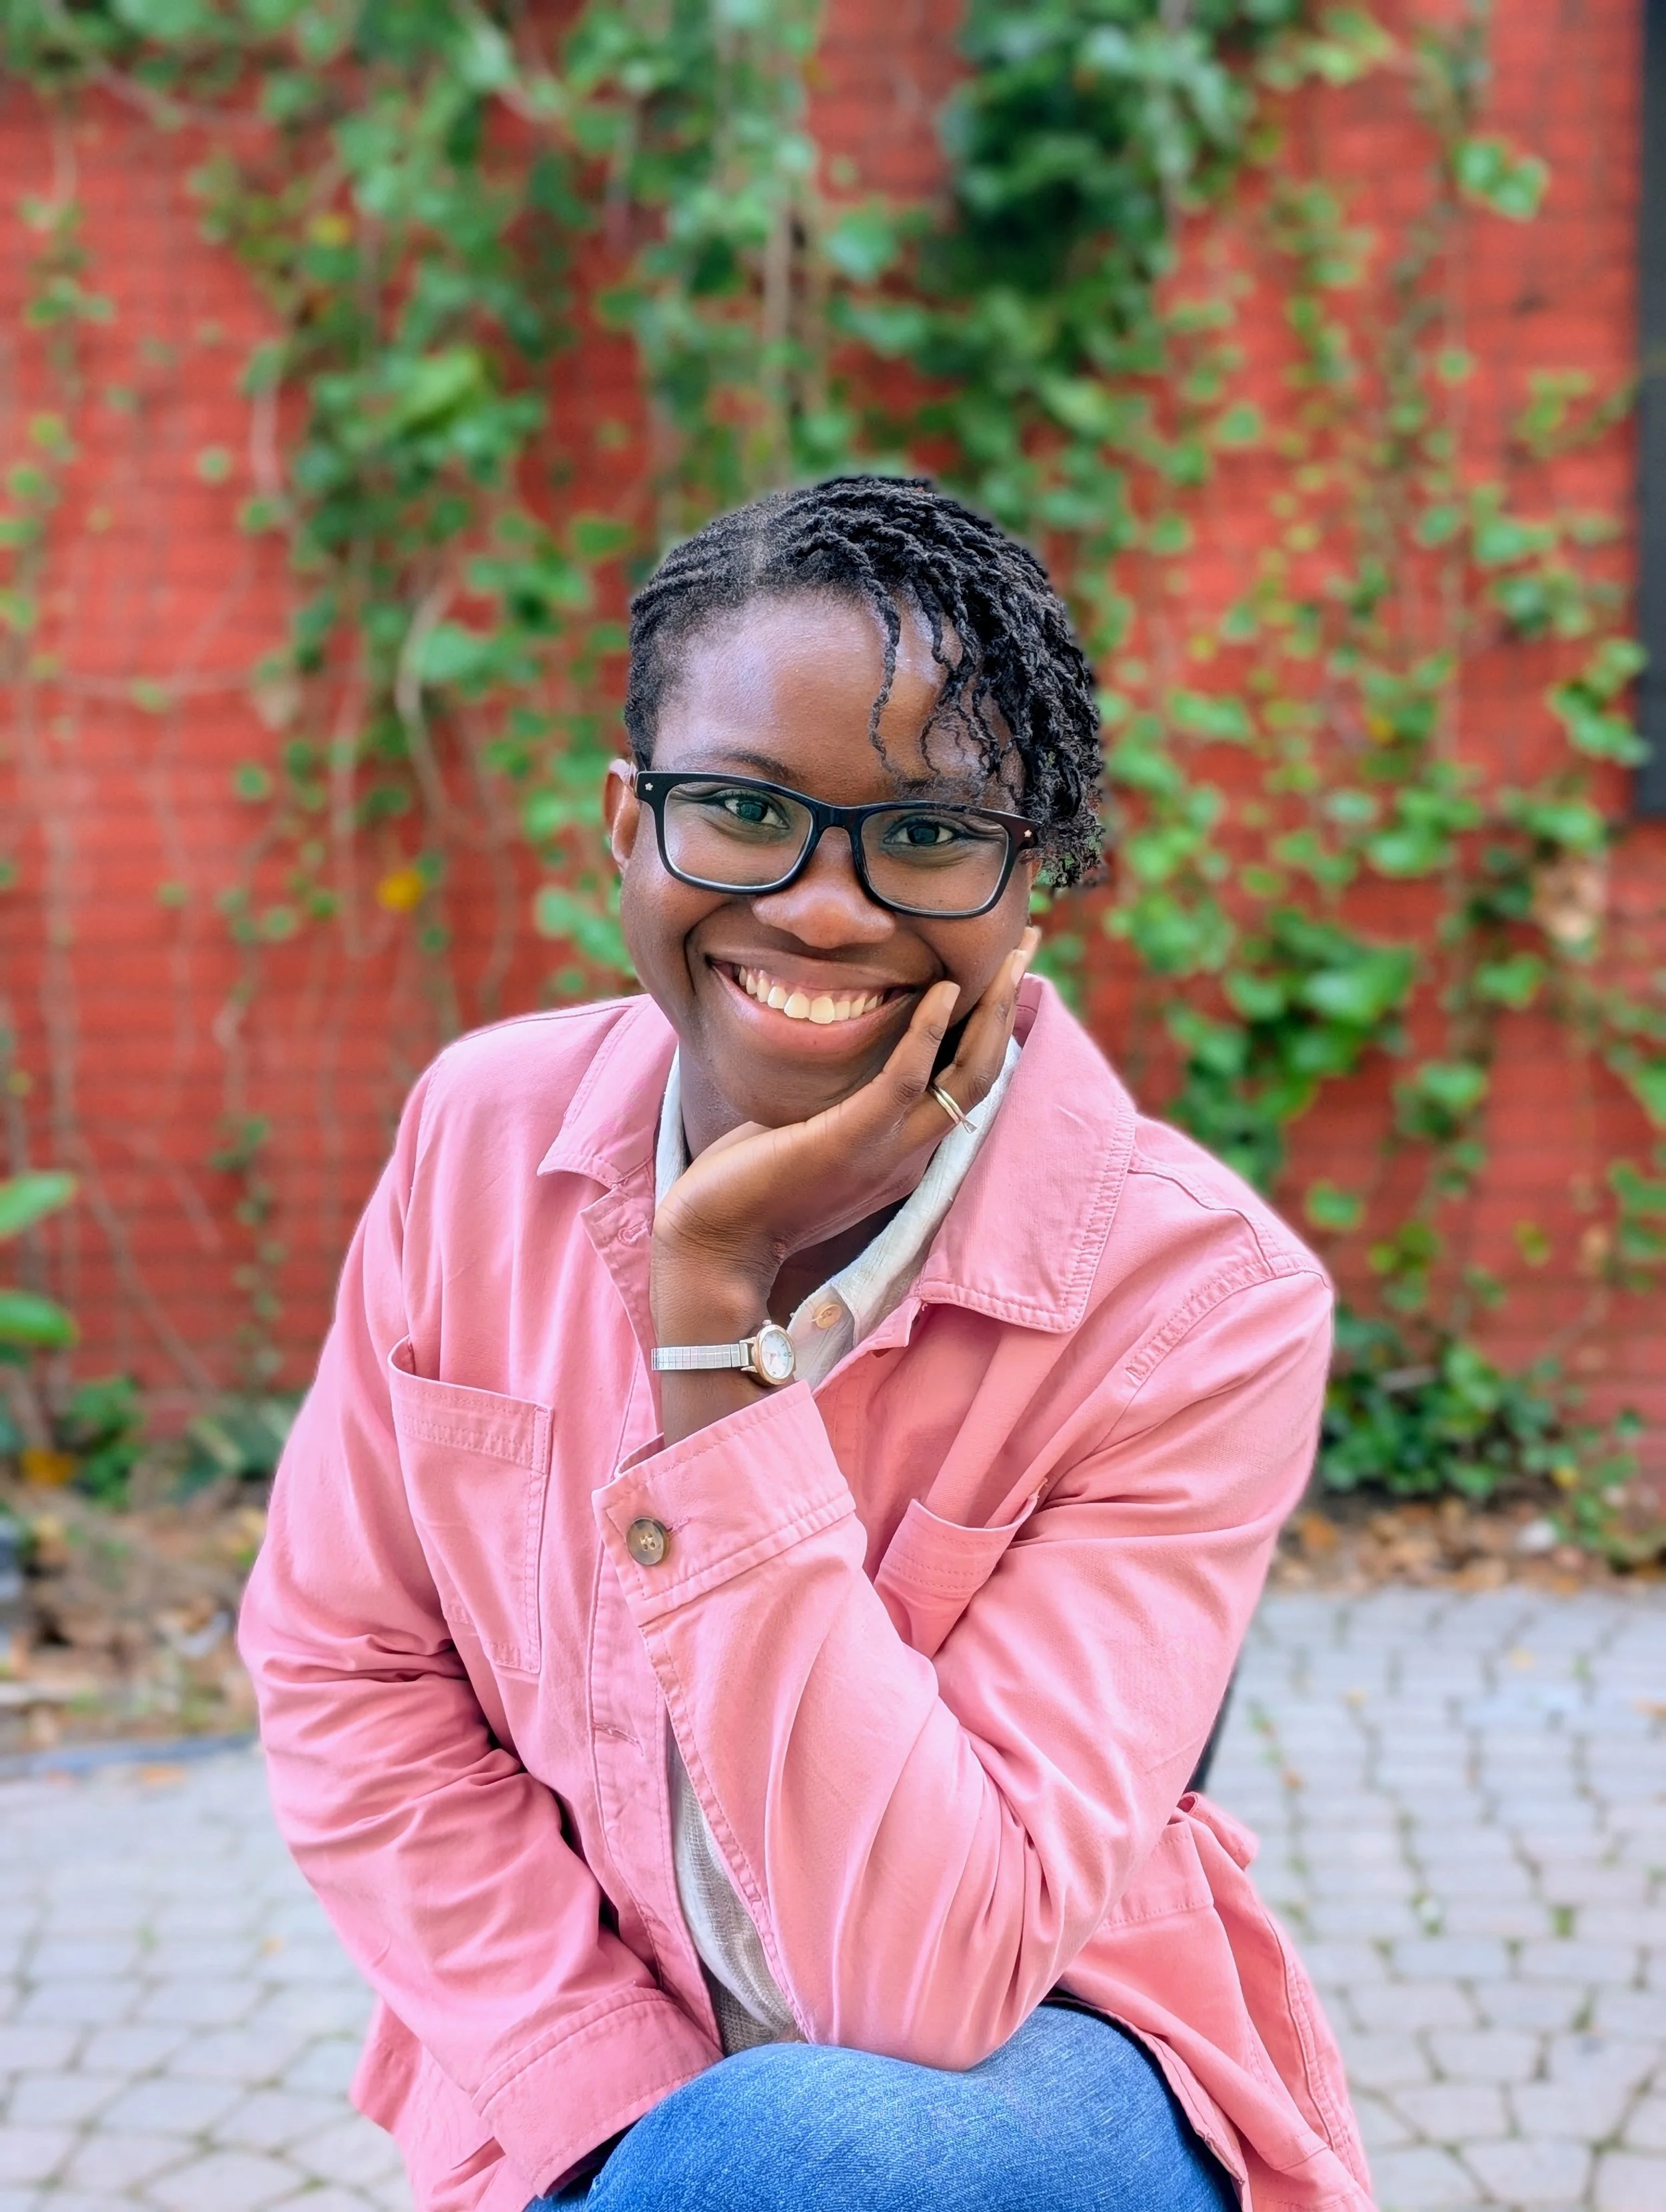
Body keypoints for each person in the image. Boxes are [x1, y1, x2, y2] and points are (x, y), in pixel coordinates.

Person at [240, 476, 1372, 2212]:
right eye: (742, 809)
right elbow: (351, 1671)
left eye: (925, 835)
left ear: (1028, 885)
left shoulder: (1196, 1307)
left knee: (799, 2147)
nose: (825, 908)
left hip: (1033, 2078)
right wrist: (602, 2099)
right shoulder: (477, 1141)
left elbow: (927, 1985)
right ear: (625, 825)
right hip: (598, 2090)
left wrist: (712, 1312)